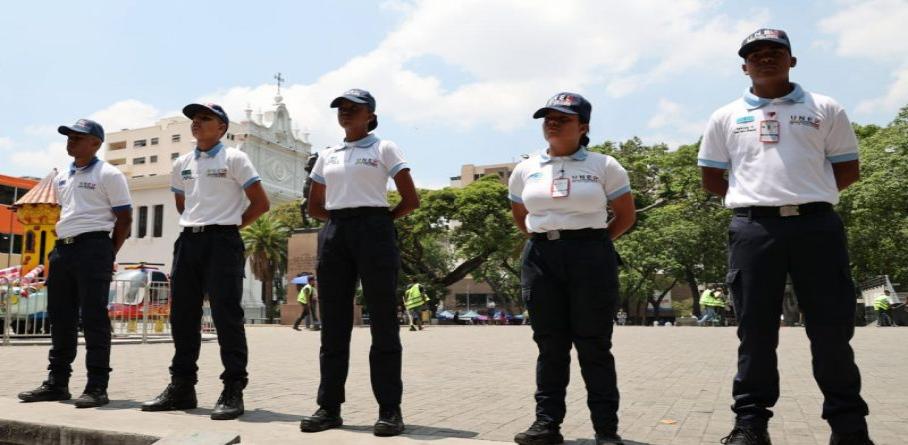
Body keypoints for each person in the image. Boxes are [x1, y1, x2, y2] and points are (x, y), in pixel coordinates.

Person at [698, 29, 874, 445]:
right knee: (755, 331)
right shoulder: (725, 116)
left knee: (831, 330)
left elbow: (847, 169)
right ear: (744, 66)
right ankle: (751, 425)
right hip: (754, 230)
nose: (765, 58)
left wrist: (805, 195)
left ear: (792, 60)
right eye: (755, 54)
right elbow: (710, 177)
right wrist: (757, 201)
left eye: (775, 52)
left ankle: (849, 428)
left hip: (818, 227)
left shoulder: (825, 108)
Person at [509, 92, 636, 445]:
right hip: (541, 257)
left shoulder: (604, 165)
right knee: (550, 346)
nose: (552, 122)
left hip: (591, 255)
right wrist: (548, 238)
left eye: (562, 118)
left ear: (583, 127)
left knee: (594, 345)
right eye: (547, 117)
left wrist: (593, 243)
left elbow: (626, 216)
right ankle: (546, 425)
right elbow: (521, 216)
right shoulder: (525, 168)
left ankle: (606, 430)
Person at [300, 89, 419, 437]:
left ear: (370, 114)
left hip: (375, 229)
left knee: (383, 322)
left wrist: (380, 223)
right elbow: (315, 205)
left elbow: (410, 199)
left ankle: (389, 410)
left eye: (354, 108)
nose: (346, 113)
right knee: (334, 325)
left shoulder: (384, 147)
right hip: (335, 231)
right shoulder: (328, 154)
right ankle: (329, 407)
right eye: (341, 108)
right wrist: (340, 224)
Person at [141, 103, 270, 420]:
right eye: (194, 119)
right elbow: (182, 202)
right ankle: (182, 387)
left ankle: (233, 388)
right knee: (183, 316)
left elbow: (260, 203)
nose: (196, 123)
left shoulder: (235, 158)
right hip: (189, 241)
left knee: (227, 315)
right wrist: (200, 224)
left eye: (205, 118)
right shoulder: (182, 162)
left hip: (223, 242)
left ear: (222, 127)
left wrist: (228, 225)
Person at [18, 119, 132, 409]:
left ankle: (97, 386)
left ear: (95, 143)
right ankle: (57, 383)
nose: (71, 141)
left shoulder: (109, 173)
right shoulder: (62, 177)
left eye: (78, 137)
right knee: (60, 318)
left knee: (94, 318)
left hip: (94, 247)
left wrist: (107, 252)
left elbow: (125, 219)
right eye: (69, 136)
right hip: (63, 250)